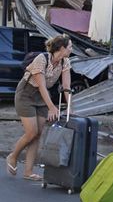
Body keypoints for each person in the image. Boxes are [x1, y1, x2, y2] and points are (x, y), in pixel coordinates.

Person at [6, 34, 72, 181]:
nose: (71, 49)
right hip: (26, 94)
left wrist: (69, 106)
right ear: (61, 48)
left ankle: (28, 172)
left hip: (42, 97)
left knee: (38, 133)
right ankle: (13, 156)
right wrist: (52, 107)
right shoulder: (41, 59)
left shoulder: (65, 62)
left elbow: (66, 86)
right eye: (70, 47)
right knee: (31, 132)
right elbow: (41, 85)